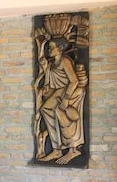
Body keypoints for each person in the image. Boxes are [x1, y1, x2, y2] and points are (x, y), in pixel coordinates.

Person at [34, 37, 87, 165]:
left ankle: (73, 149)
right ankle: (57, 148)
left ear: (60, 48)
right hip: (57, 91)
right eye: (49, 48)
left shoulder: (65, 61)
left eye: (52, 47)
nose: (49, 50)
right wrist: (46, 87)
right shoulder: (52, 64)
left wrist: (66, 99)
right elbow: (51, 82)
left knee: (60, 112)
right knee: (45, 109)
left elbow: (74, 81)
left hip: (69, 91)